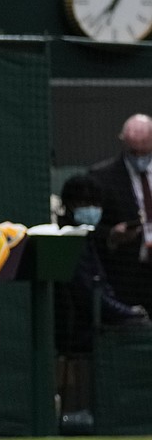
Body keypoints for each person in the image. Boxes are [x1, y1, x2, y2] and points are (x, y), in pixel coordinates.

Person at [53, 174, 150, 432]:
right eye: (84, 203)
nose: (91, 209)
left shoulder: (90, 238)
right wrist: (130, 314)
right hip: (76, 336)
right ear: (70, 205)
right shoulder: (67, 241)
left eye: (95, 203)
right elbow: (89, 294)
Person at [88, 114, 152, 314]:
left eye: (145, 150)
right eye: (134, 151)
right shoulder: (101, 177)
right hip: (126, 276)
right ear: (123, 142)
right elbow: (89, 230)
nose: (139, 157)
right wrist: (113, 235)